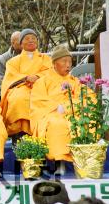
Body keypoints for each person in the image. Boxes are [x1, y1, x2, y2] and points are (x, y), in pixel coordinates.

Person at [30, 45, 79, 174]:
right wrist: (57, 107)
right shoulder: (43, 81)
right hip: (50, 113)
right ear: (54, 63)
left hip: (73, 113)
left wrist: (68, 108)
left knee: (83, 123)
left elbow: (85, 98)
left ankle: (82, 162)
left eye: (70, 62)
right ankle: (59, 162)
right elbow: (38, 100)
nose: (68, 65)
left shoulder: (75, 81)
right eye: (64, 61)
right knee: (57, 124)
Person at [0, 28, 52, 137]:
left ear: (37, 42)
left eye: (33, 38)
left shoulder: (46, 59)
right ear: (21, 43)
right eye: (27, 38)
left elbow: (50, 72)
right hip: (21, 87)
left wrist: (37, 77)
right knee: (18, 99)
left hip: (42, 87)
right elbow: (10, 78)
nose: (31, 41)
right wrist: (26, 78)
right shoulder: (12, 61)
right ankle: (20, 132)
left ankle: (42, 131)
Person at [0, 31, 22, 102]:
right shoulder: (4, 59)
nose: (22, 44)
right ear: (13, 43)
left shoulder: (30, 56)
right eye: (19, 42)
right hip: (11, 91)